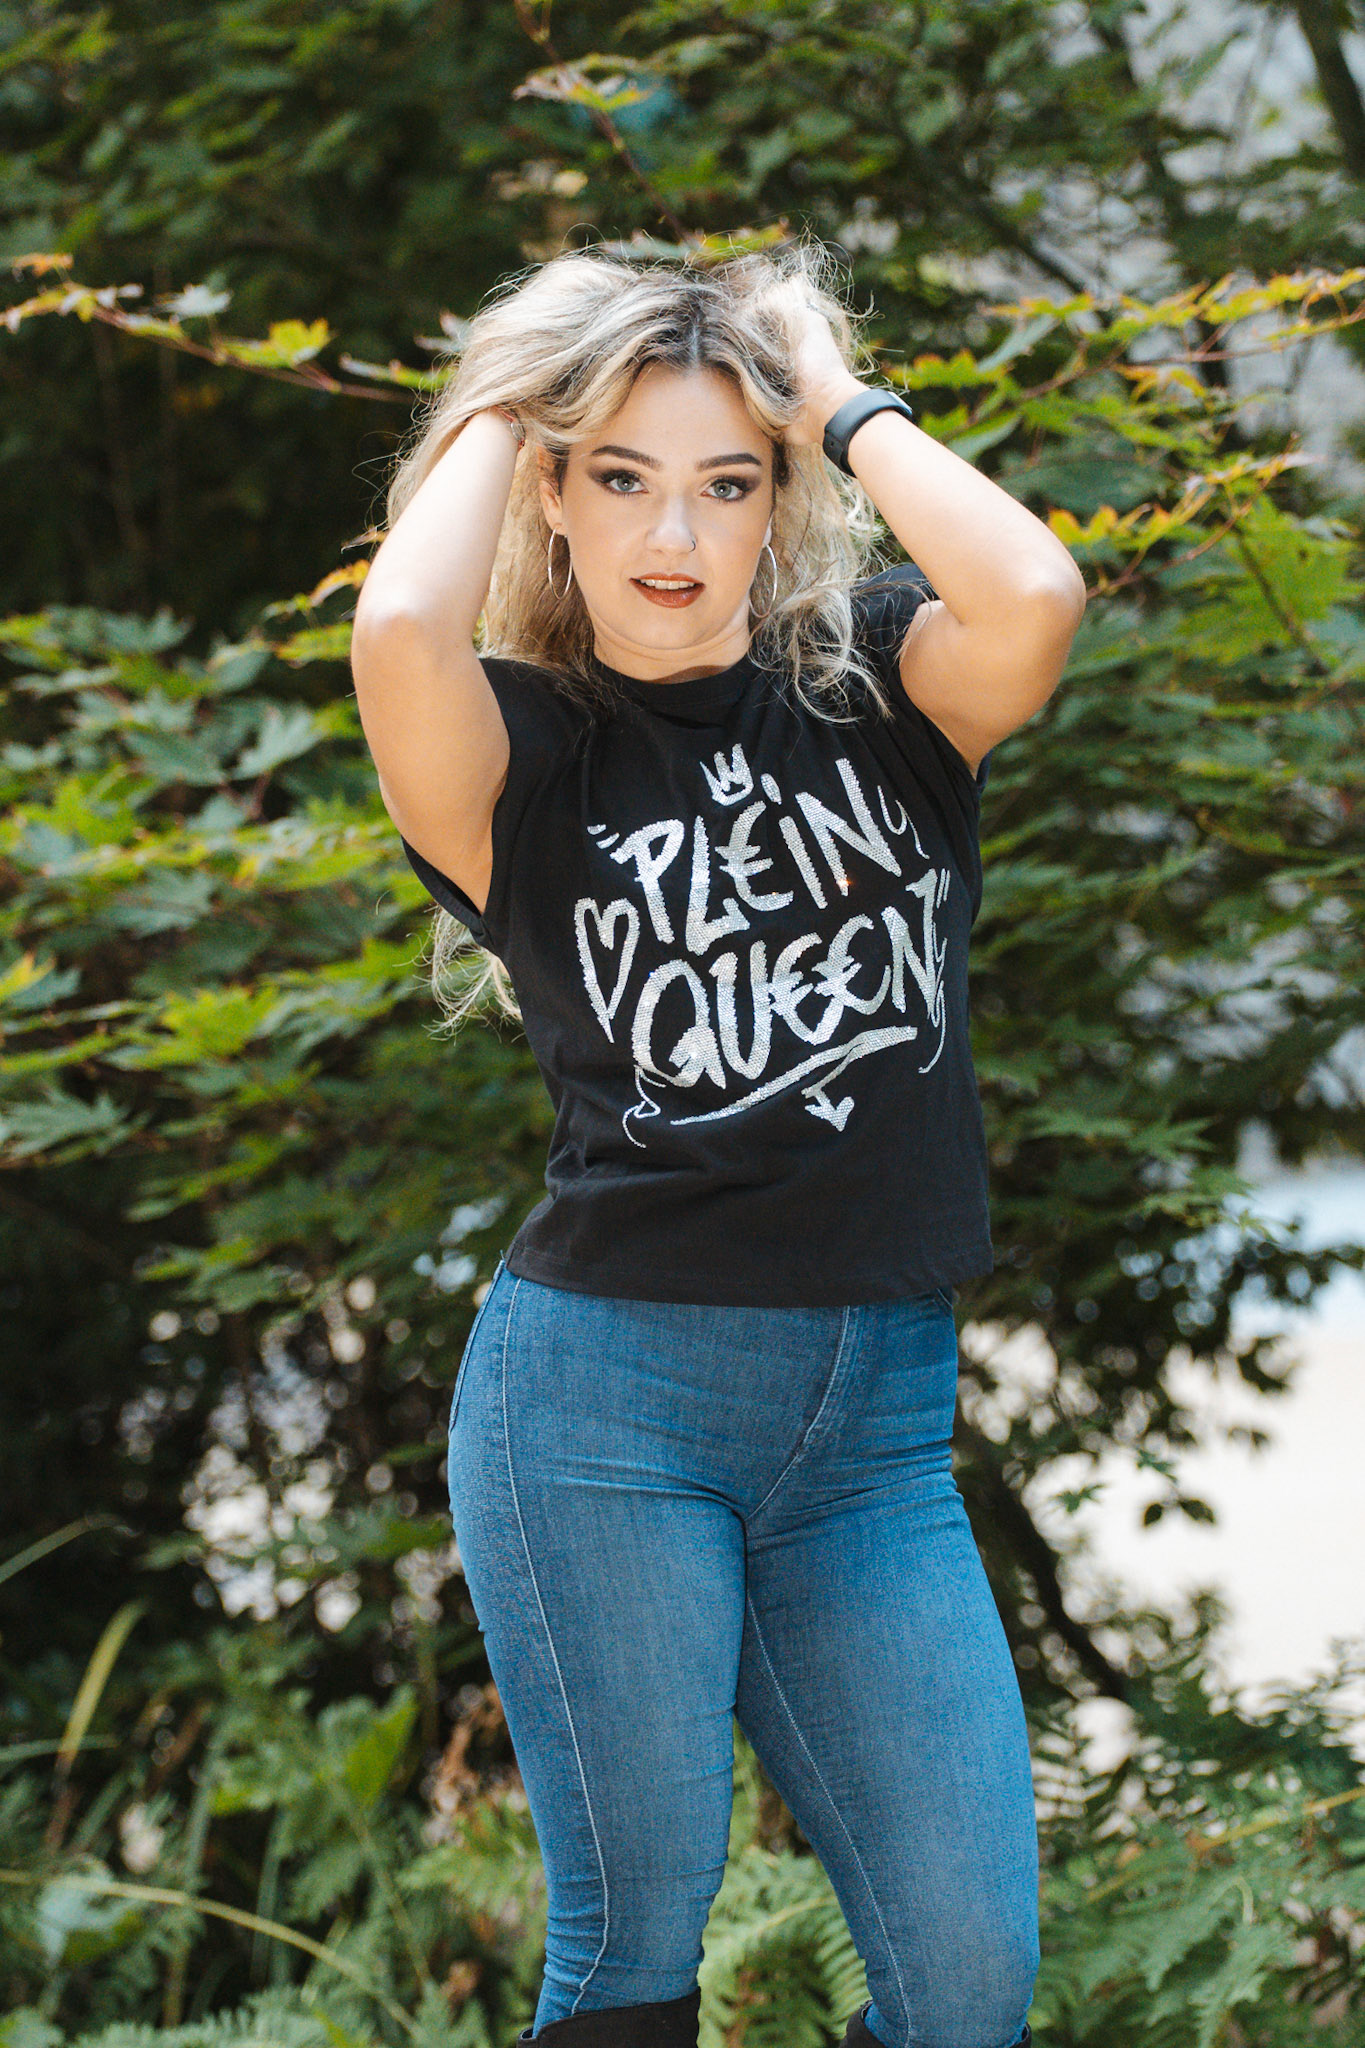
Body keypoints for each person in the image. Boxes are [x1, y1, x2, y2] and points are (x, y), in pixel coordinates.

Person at [350, 237, 1086, 2048]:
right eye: (619, 478)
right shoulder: (515, 752)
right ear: (552, 493)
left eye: (723, 482)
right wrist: (524, 391)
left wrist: (821, 389)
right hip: (604, 1416)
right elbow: (395, 630)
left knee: (967, 1981)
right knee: (634, 1953)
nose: (672, 531)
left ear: (779, 496)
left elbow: (1033, 589)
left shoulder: (880, 689)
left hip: (876, 1439)